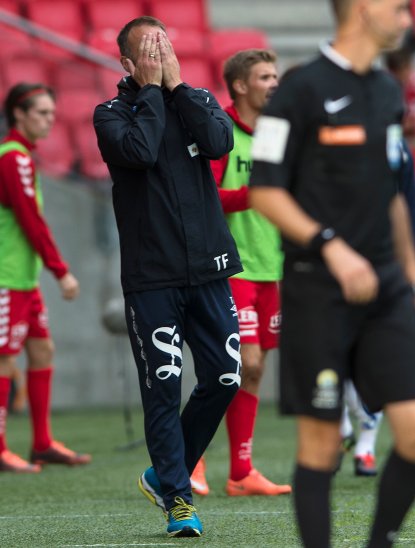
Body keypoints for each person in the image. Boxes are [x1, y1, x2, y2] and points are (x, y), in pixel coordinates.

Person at [248, 0, 415, 545]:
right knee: (321, 447)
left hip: (386, 289)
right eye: (399, 8)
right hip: (317, 291)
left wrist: (414, 276)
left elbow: (395, 197)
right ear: (362, 8)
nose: (408, 19)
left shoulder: (387, 93)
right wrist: (331, 247)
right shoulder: (299, 90)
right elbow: (264, 189)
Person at [93, 17, 242, 537]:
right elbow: (139, 151)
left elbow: (220, 141)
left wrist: (176, 86)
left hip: (209, 269)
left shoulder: (191, 98)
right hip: (152, 276)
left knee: (226, 376)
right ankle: (178, 498)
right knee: (163, 385)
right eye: (148, 51)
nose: (160, 55)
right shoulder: (111, 114)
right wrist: (152, 90)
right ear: (128, 64)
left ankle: (163, 473)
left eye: (166, 47)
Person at [188, 48, 291, 498]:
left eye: (276, 75)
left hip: (272, 267)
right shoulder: (220, 132)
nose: (274, 83)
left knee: (255, 370)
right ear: (241, 85)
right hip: (233, 269)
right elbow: (205, 197)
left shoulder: (275, 134)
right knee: (236, 364)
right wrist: (254, 194)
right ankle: (191, 459)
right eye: (265, 77)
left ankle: (242, 472)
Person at [0, 83, 89, 473]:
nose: (50, 121)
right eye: (42, 113)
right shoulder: (12, 157)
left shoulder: (23, 157)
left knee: (42, 351)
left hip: (23, 277)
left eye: (53, 114)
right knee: (5, 359)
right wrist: (61, 271)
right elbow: (31, 221)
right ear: (19, 114)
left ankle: (42, 443)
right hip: (7, 277)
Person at [339, 137, 415, 477]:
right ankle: (342, 426)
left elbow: (408, 207)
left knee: (375, 357)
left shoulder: (397, 147)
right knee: (340, 355)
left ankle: (365, 445)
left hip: (386, 267)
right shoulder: (321, 136)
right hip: (335, 266)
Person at [384, 48, 415, 139]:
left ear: (410, 66)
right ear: (391, 71)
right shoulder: (382, 86)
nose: (403, 76)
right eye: (399, 73)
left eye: (406, 70)